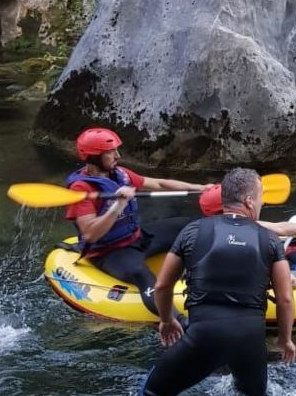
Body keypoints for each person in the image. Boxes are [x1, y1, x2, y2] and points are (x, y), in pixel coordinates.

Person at [140, 166, 295, 396]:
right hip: (251, 339)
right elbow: (285, 298)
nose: (263, 202)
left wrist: (167, 320)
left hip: (205, 333)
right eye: (261, 196)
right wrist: (285, 339)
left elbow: (162, 285)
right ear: (248, 201)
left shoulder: (192, 231)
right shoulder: (269, 240)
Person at [66, 127, 208, 314]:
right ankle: (179, 325)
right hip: (109, 252)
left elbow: (159, 183)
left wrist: (201, 187)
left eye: (116, 150)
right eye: (111, 152)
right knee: (142, 275)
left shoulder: (120, 174)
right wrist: (117, 206)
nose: (118, 155)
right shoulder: (81, 189)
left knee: (194, 225)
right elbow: (91, 234)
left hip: (137, 237)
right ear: (94, 157)